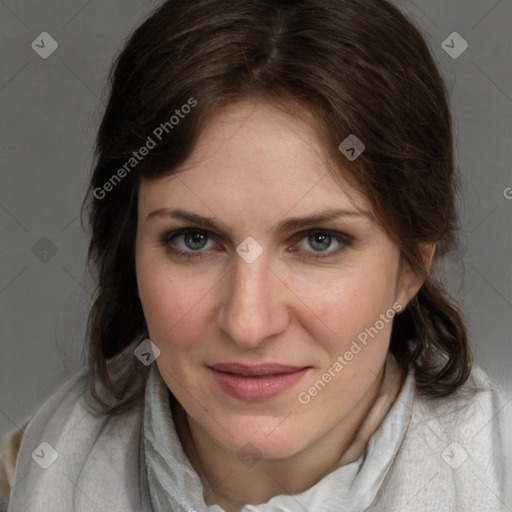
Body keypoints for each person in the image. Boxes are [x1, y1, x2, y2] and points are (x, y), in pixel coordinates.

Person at [3, 0, 511, 511]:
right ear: (129, 252)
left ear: (410, 267)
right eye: (194, 240)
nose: (248, 323)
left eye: (319, 241)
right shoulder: (31, 471)